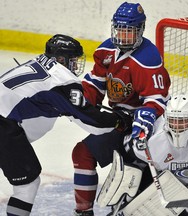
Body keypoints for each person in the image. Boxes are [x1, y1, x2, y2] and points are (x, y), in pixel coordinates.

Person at [0, 34, 130, 216]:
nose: (75, 66)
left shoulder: (38, 62)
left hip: (5, 120)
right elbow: (93, 124)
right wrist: (119, 120)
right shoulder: (62, 79)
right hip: (3, 126)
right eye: (73, 60)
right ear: (61, 59)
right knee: (27, 185)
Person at [71, 2, 171, 215]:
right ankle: (83, 212)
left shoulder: (147, 58)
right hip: (120, 118)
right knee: (82, 154)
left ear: (140, 30)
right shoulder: (106, 50)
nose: (122, 36)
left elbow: (157, 99)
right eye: (120, 30)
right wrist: (79, 101)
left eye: (129, 32)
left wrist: (146, 116)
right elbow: (95, 84)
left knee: (134, 167)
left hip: (149, 122)